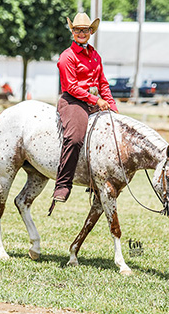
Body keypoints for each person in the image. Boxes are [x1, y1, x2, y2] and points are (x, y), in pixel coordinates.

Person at [51, 12, 118, 209]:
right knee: (75, 137)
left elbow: (103, 84)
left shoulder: (95, 56)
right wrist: (96, 100)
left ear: (91, 32)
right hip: (73, 101)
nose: (82, 33)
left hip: (94, 101)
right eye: (78, 30)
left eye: (85, 30)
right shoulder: (67, 57)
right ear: (72, 32)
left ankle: (97, 179)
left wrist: (113, 108)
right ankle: (62, 185)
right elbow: (71, 87)